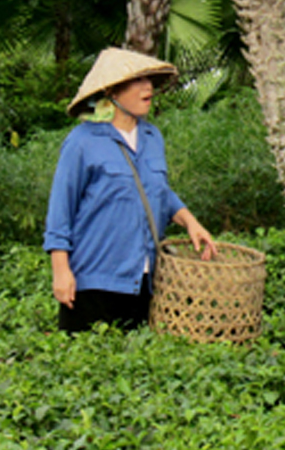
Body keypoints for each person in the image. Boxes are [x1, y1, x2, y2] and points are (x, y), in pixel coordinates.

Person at [44, 47, 217, 333]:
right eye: (136, 81)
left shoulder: (152, 137)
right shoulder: (82, 142)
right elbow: (60, 211)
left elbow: (159, 191)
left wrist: (190, 221)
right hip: (93, 284)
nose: (147, 87)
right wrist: (61, 272)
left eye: (148, 80)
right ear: (111, 91)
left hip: (145, 284)